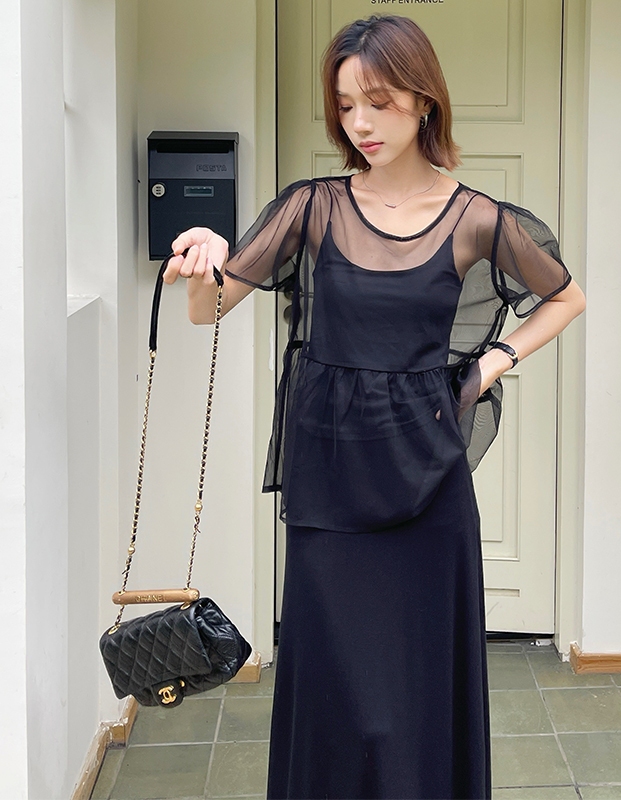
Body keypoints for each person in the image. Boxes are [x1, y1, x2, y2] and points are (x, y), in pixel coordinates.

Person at [164, 14, 585, 800]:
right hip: (329, 481)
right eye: (346, 104)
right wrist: (205, 257)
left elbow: (566, 297)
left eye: (379, 102)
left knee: (417, 691)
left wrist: (494, 359)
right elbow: (207, 309)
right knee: (337, 689)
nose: (360, 122)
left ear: (424, 101)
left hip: (428, 483)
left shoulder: (477, 218)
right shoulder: (312, 207)